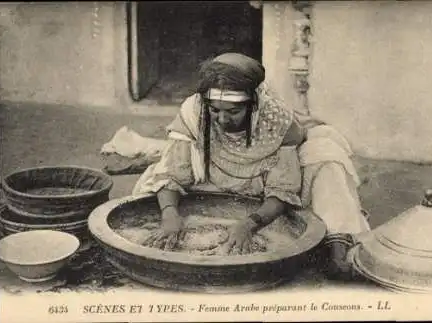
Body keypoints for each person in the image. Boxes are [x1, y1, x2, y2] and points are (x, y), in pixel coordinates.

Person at [133, 53, 370, 279]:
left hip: (263, 184)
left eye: (234, 112)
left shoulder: (276, 121)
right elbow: (172, 173)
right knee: (154, 178)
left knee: (326, 156)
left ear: (253, 104)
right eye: (215, 111)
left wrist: (249, 225)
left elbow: (282, 189)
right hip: (212, 180)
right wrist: (170, 215)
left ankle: (338, 248)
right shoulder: (194, 112)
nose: (223, 120)